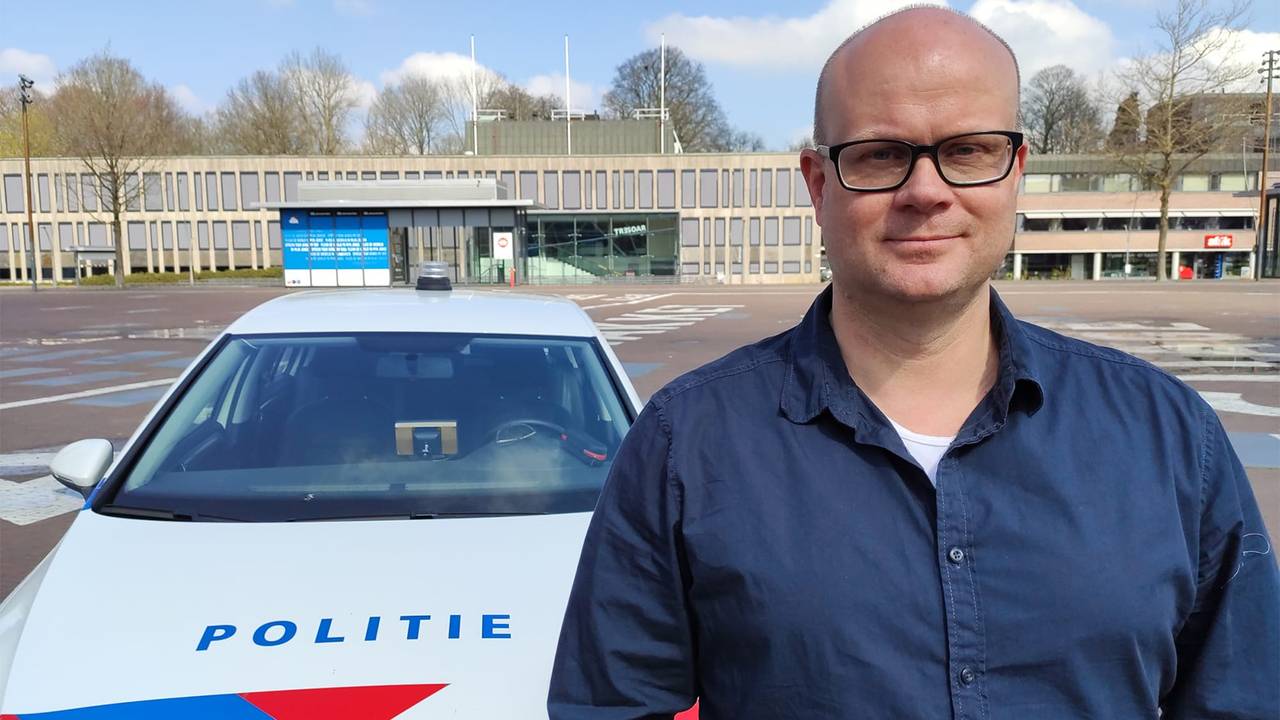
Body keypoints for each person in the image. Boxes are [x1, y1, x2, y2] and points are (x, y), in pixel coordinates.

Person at [548, 7, 1279, 719]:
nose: (926, 192)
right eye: (880, 154)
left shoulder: (1172, 438)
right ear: (817, 183)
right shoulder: (687, 443)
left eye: (968, 151)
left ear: (1016, 170)